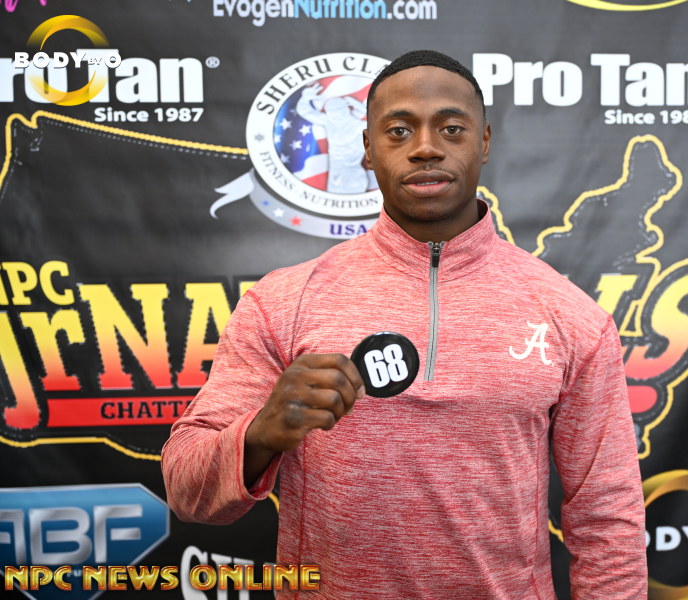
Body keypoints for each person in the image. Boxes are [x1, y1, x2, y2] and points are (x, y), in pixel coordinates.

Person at [161, 49, 647, 599]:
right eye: (398, 131)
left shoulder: (571, 316)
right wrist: (261, 433)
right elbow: (186, 491)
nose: (425, 147)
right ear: (368, 150)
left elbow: (608, 518)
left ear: (484, 142)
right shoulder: (283, 301)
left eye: (451, 128)